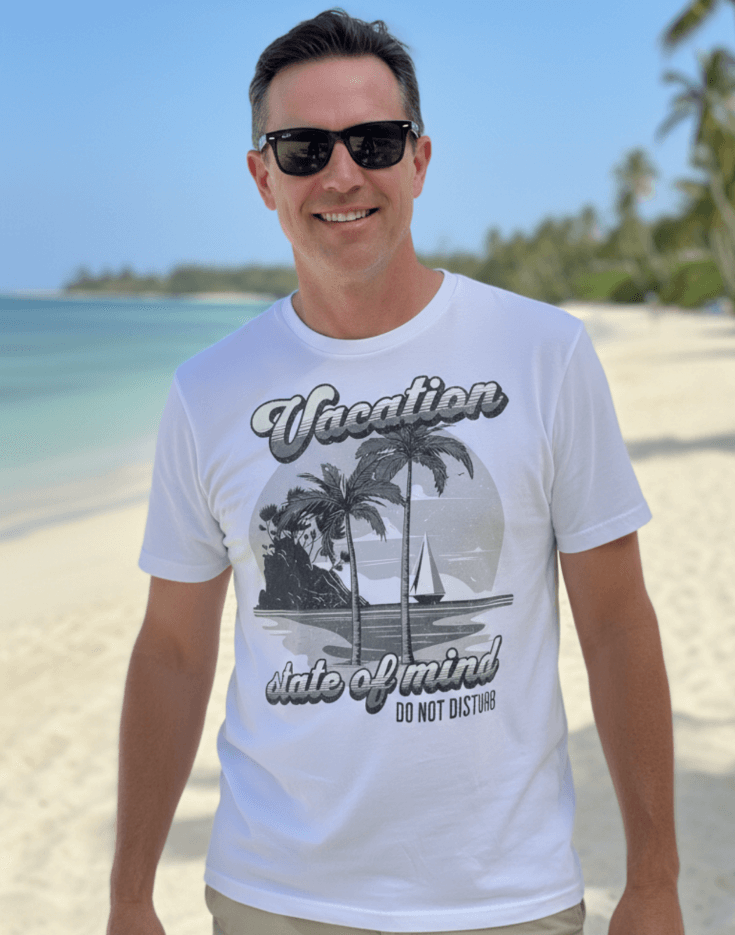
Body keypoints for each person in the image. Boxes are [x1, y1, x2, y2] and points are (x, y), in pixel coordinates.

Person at [107, 10, 685, 935]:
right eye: (303, 148)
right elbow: (172, 652)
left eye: (373, 141)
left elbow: (616, 622)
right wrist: (130, 896)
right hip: (272, 898)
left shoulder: (544, 353)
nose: (342, 174)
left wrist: (654, 880)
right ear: (262, 176)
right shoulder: (206, 391)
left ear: (418, 159)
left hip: (505, 900)